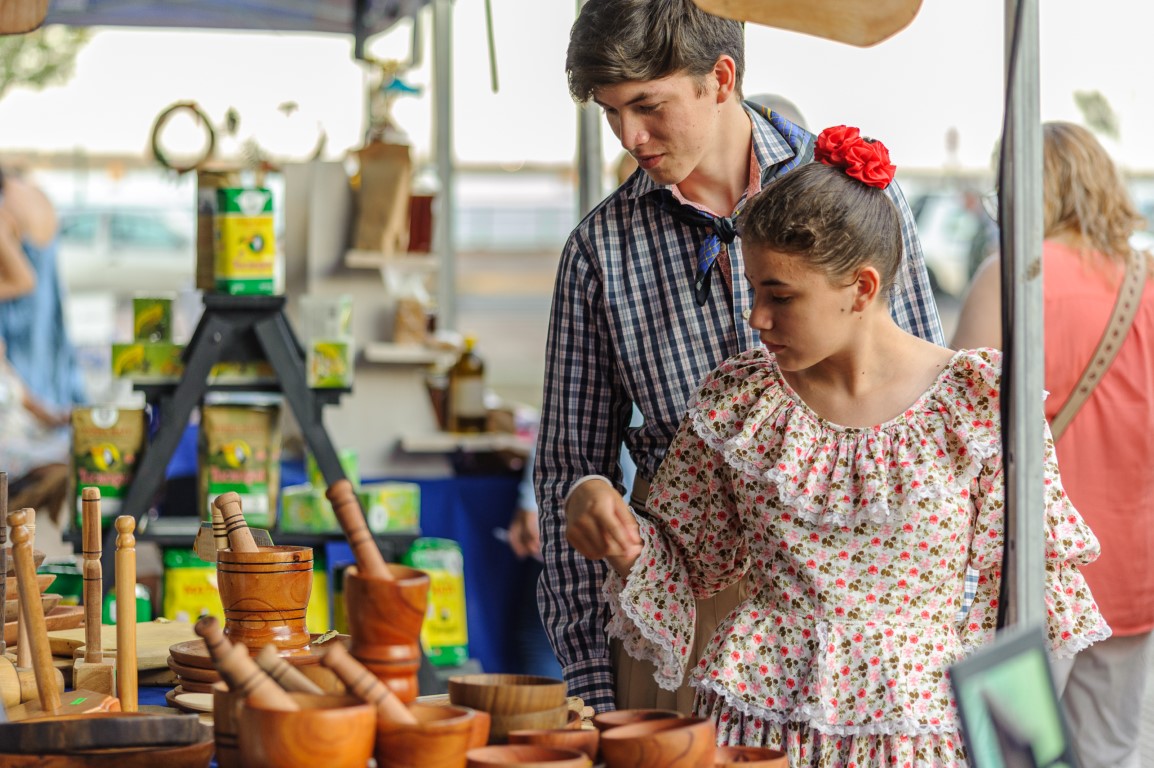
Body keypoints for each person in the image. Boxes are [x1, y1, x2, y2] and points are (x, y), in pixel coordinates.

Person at [565, 125, 1110, 764]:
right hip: (756, 732)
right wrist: (604, 511)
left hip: (919, 739)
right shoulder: (742, 403)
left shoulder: (979, 403)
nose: (755, 317)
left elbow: (1021, 609)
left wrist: (1018, 755)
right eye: (754, 289)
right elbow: (688, 566)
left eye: (780, 295)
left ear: (862, 287)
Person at [536, 0, 946, 714]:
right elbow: (568, 474)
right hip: (681, 623)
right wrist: (592, 689)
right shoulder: (600, 253)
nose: (630, 136)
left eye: (647, 105)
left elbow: (921, 422)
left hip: (856, 633)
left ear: (720, 78)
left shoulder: (855, 200)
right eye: (609, 113)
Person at [952, 121, 1153, 768]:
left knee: (1014, 758)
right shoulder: (1149, 284)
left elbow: (958, 430)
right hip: (1133, 571)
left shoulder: (1010, 278)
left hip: (1031, 571)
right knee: (1111, 753)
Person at [0, 166, 86, 411]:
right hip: (46, 311)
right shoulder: (31, 193)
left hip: (22, 320)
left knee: (27, 391)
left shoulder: (5, 207)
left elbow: (24, 280)